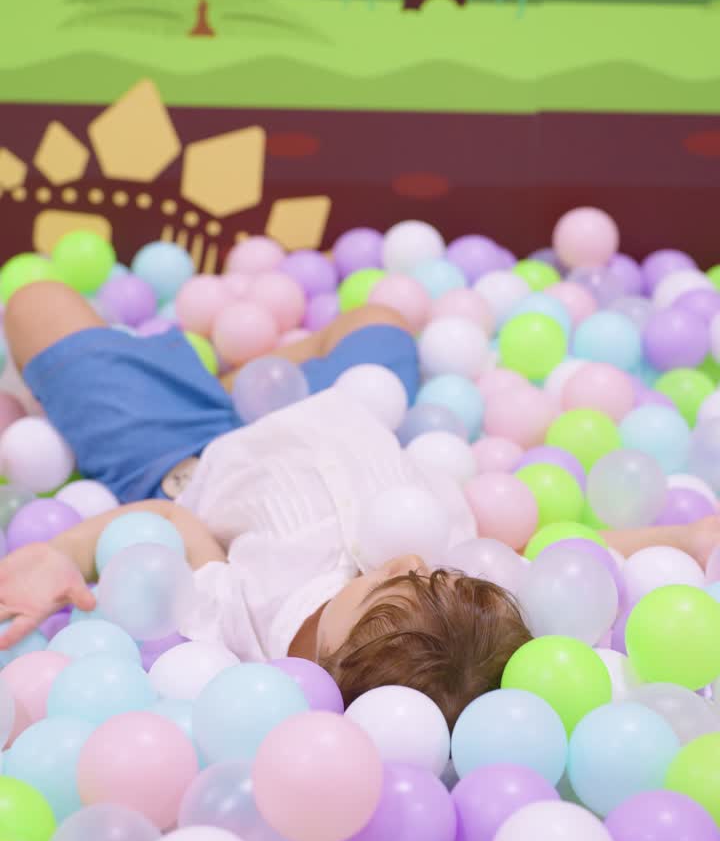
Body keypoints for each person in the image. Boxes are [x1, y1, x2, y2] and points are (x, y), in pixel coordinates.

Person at [0, 281, 719, 728]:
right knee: (381, 313)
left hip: (184, 447)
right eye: (430, 573)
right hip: (339, 401)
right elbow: (564, 564)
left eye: (384, 582)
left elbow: (169, 524)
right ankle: (262, 365)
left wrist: (52, 554)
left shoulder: (246, 628)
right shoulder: (466, 616)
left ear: (334, 664)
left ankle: (217, 377)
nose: (410, 557)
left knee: (33, 306)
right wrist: (686, 535)